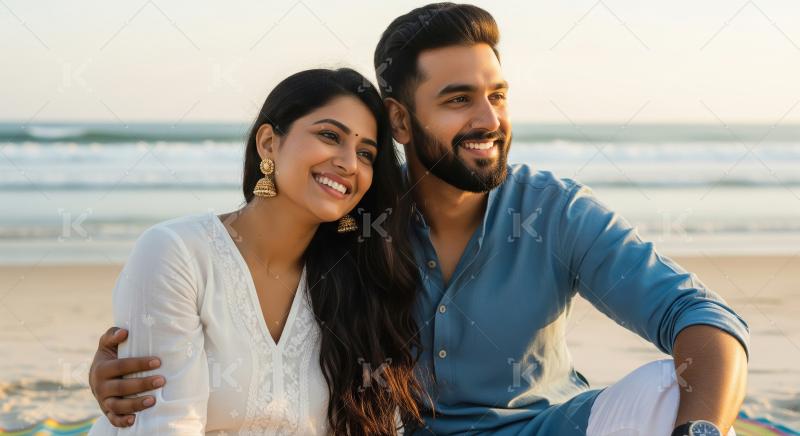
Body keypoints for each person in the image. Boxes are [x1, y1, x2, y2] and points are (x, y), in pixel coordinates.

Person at [90, 4, 750, 435]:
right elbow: (246, 274)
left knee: (675, 387)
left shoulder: (555, 210)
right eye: (459, 100)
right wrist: (121, 372)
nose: (488, 121)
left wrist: (700, 432)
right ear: (401, 120)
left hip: (551, 428)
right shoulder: (355, 212)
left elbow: (701, 317)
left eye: (496, 96)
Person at [87, 68, 427, 435]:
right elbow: (165, 424)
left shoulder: (357, 281)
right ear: (268, 143)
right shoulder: (178, 253)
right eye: (330, 136)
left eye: (366, 154)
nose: (348, 163)